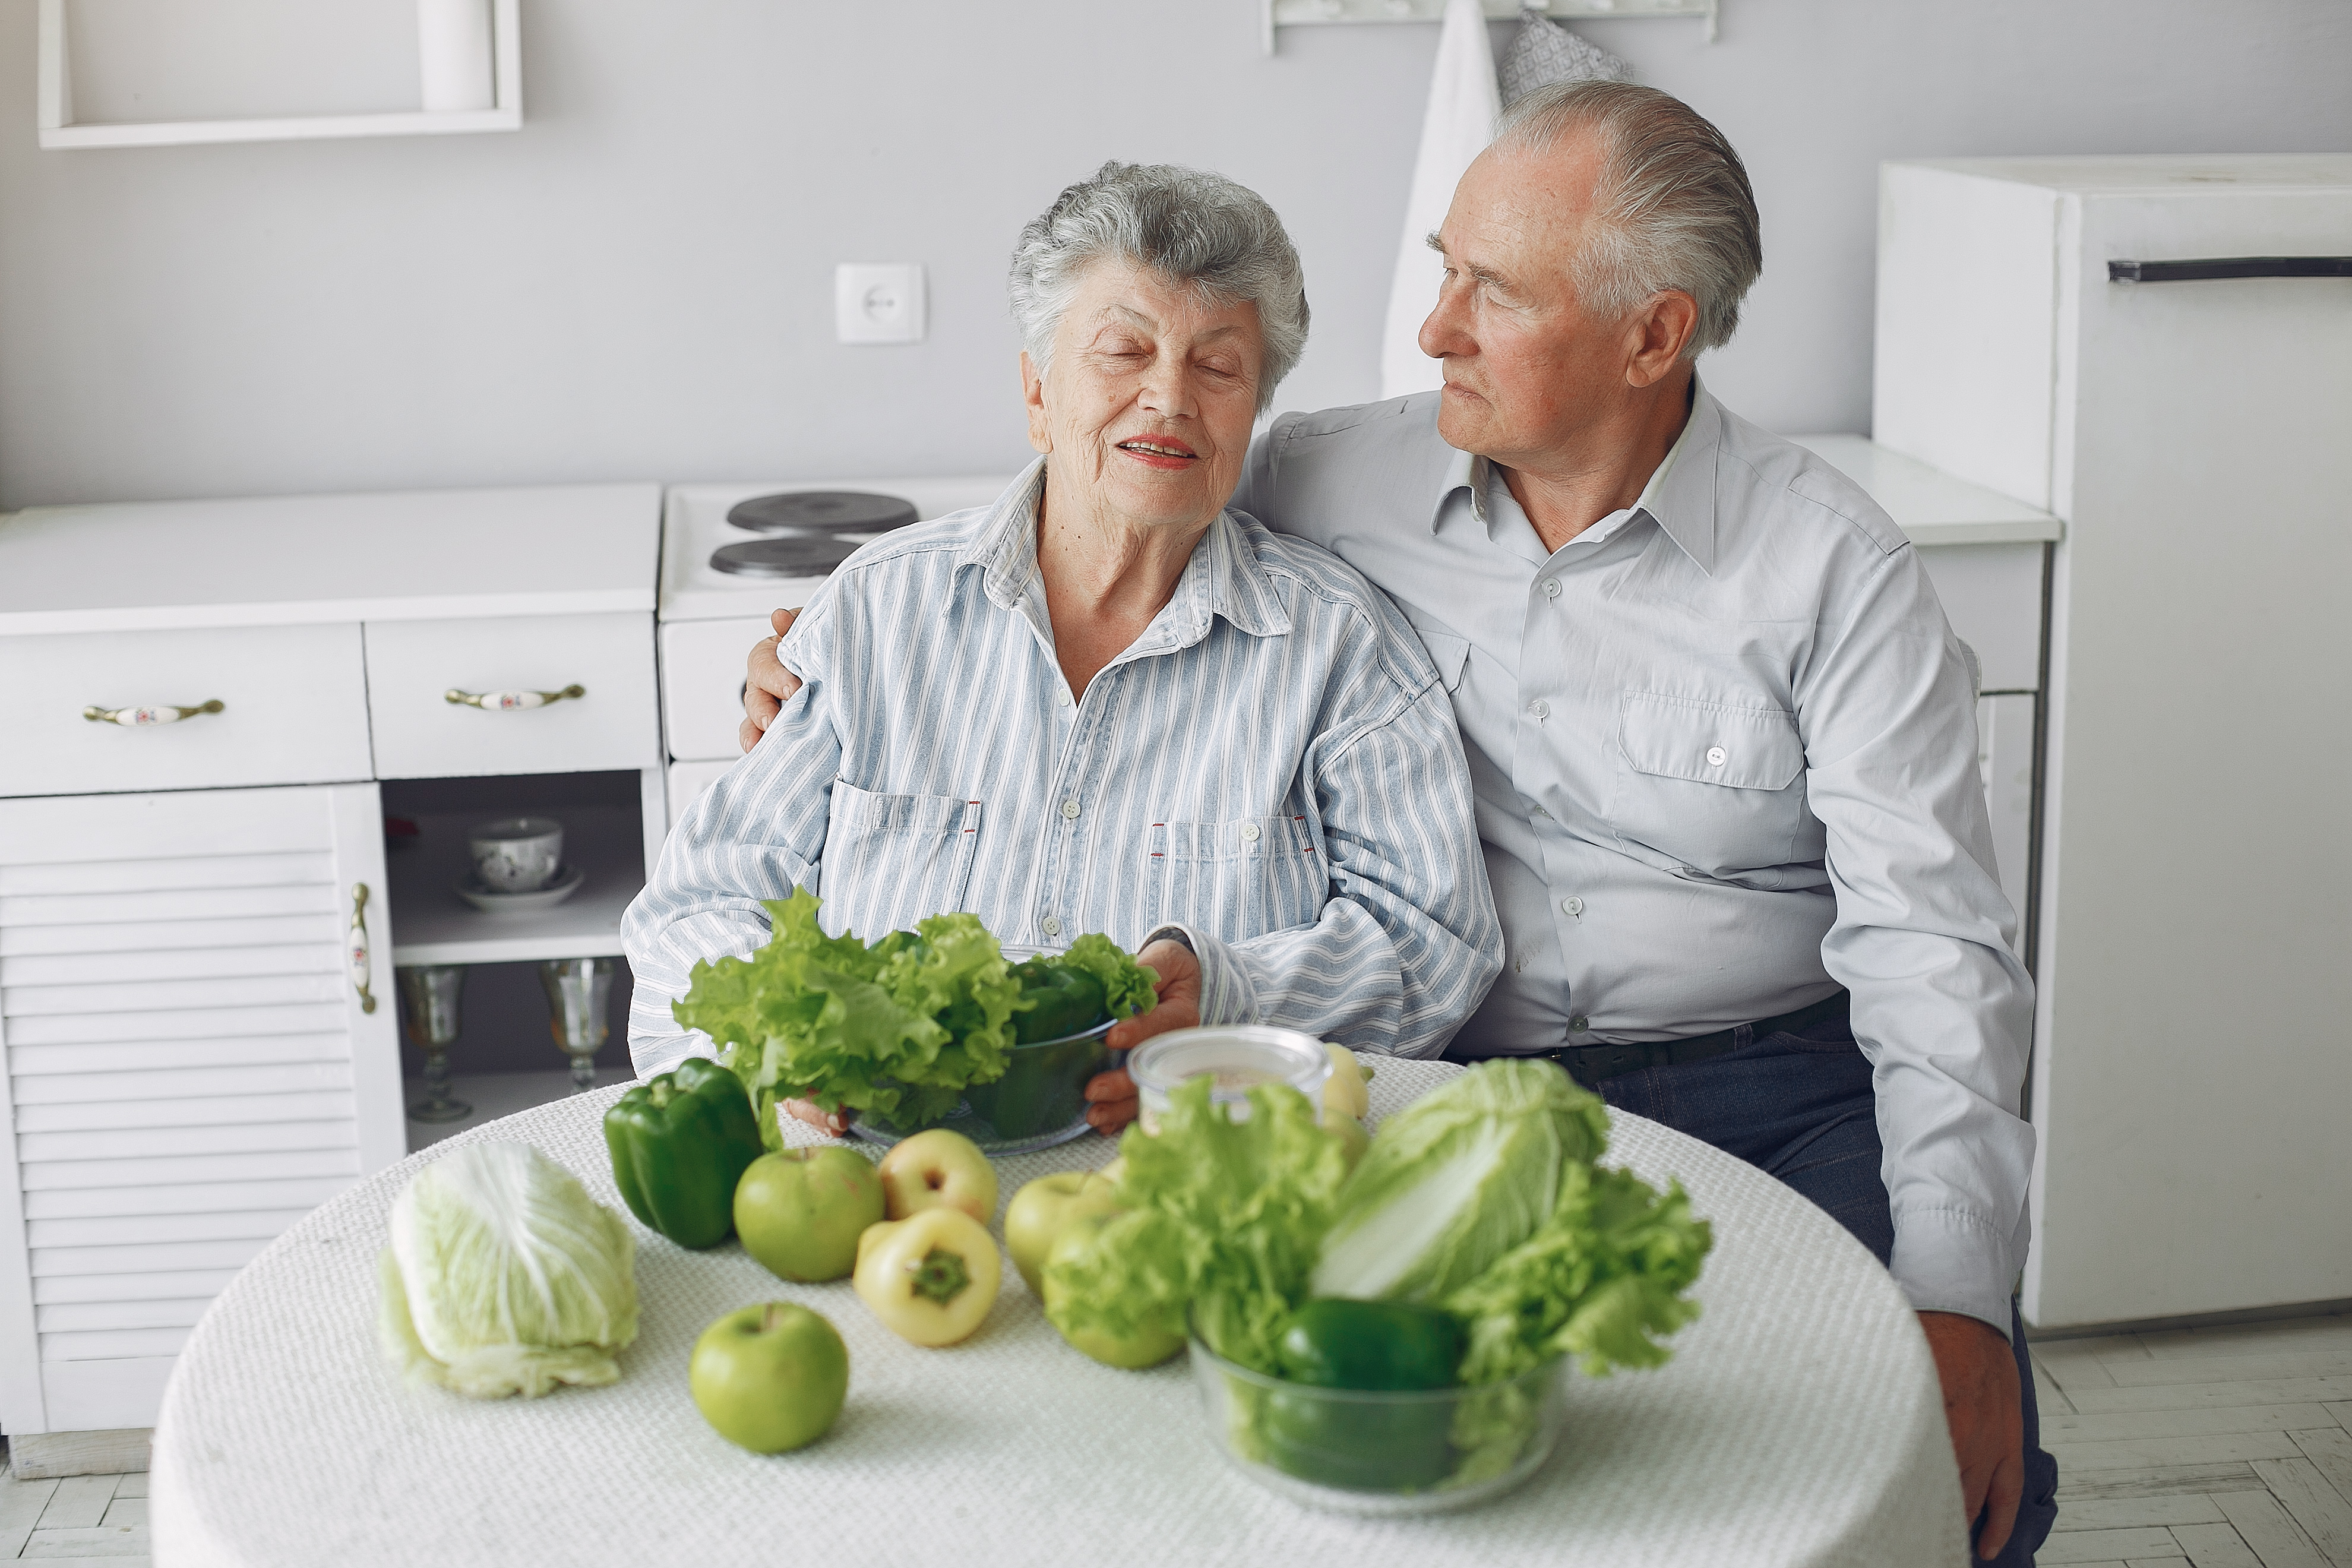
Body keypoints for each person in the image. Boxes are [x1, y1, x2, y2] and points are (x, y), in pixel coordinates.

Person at [741, 87, 2057, 1562]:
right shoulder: (1321, 472)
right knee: (1422, 1463)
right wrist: (834, 656)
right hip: (1446, 1072)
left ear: (1652, 337)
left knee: (1925, 1469)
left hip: (1778, 1086)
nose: (1434, 329)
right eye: (1446, 269)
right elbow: (1106, 476)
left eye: (1491, 294)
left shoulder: (1838, 576)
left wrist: (1962, 1303)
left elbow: (1937, 951)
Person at [625, 160, 1502, 1130]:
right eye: (1124, 351)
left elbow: (1433, 940)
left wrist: (1233, 992)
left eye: (1218, 366)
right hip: (881, 1196)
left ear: (1253, 412)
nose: (1169, 398)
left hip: (1193, 1175)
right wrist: (773, 1050)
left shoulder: (1342, 646)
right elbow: (696, 907)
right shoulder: (879, 613)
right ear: (1038, 392)